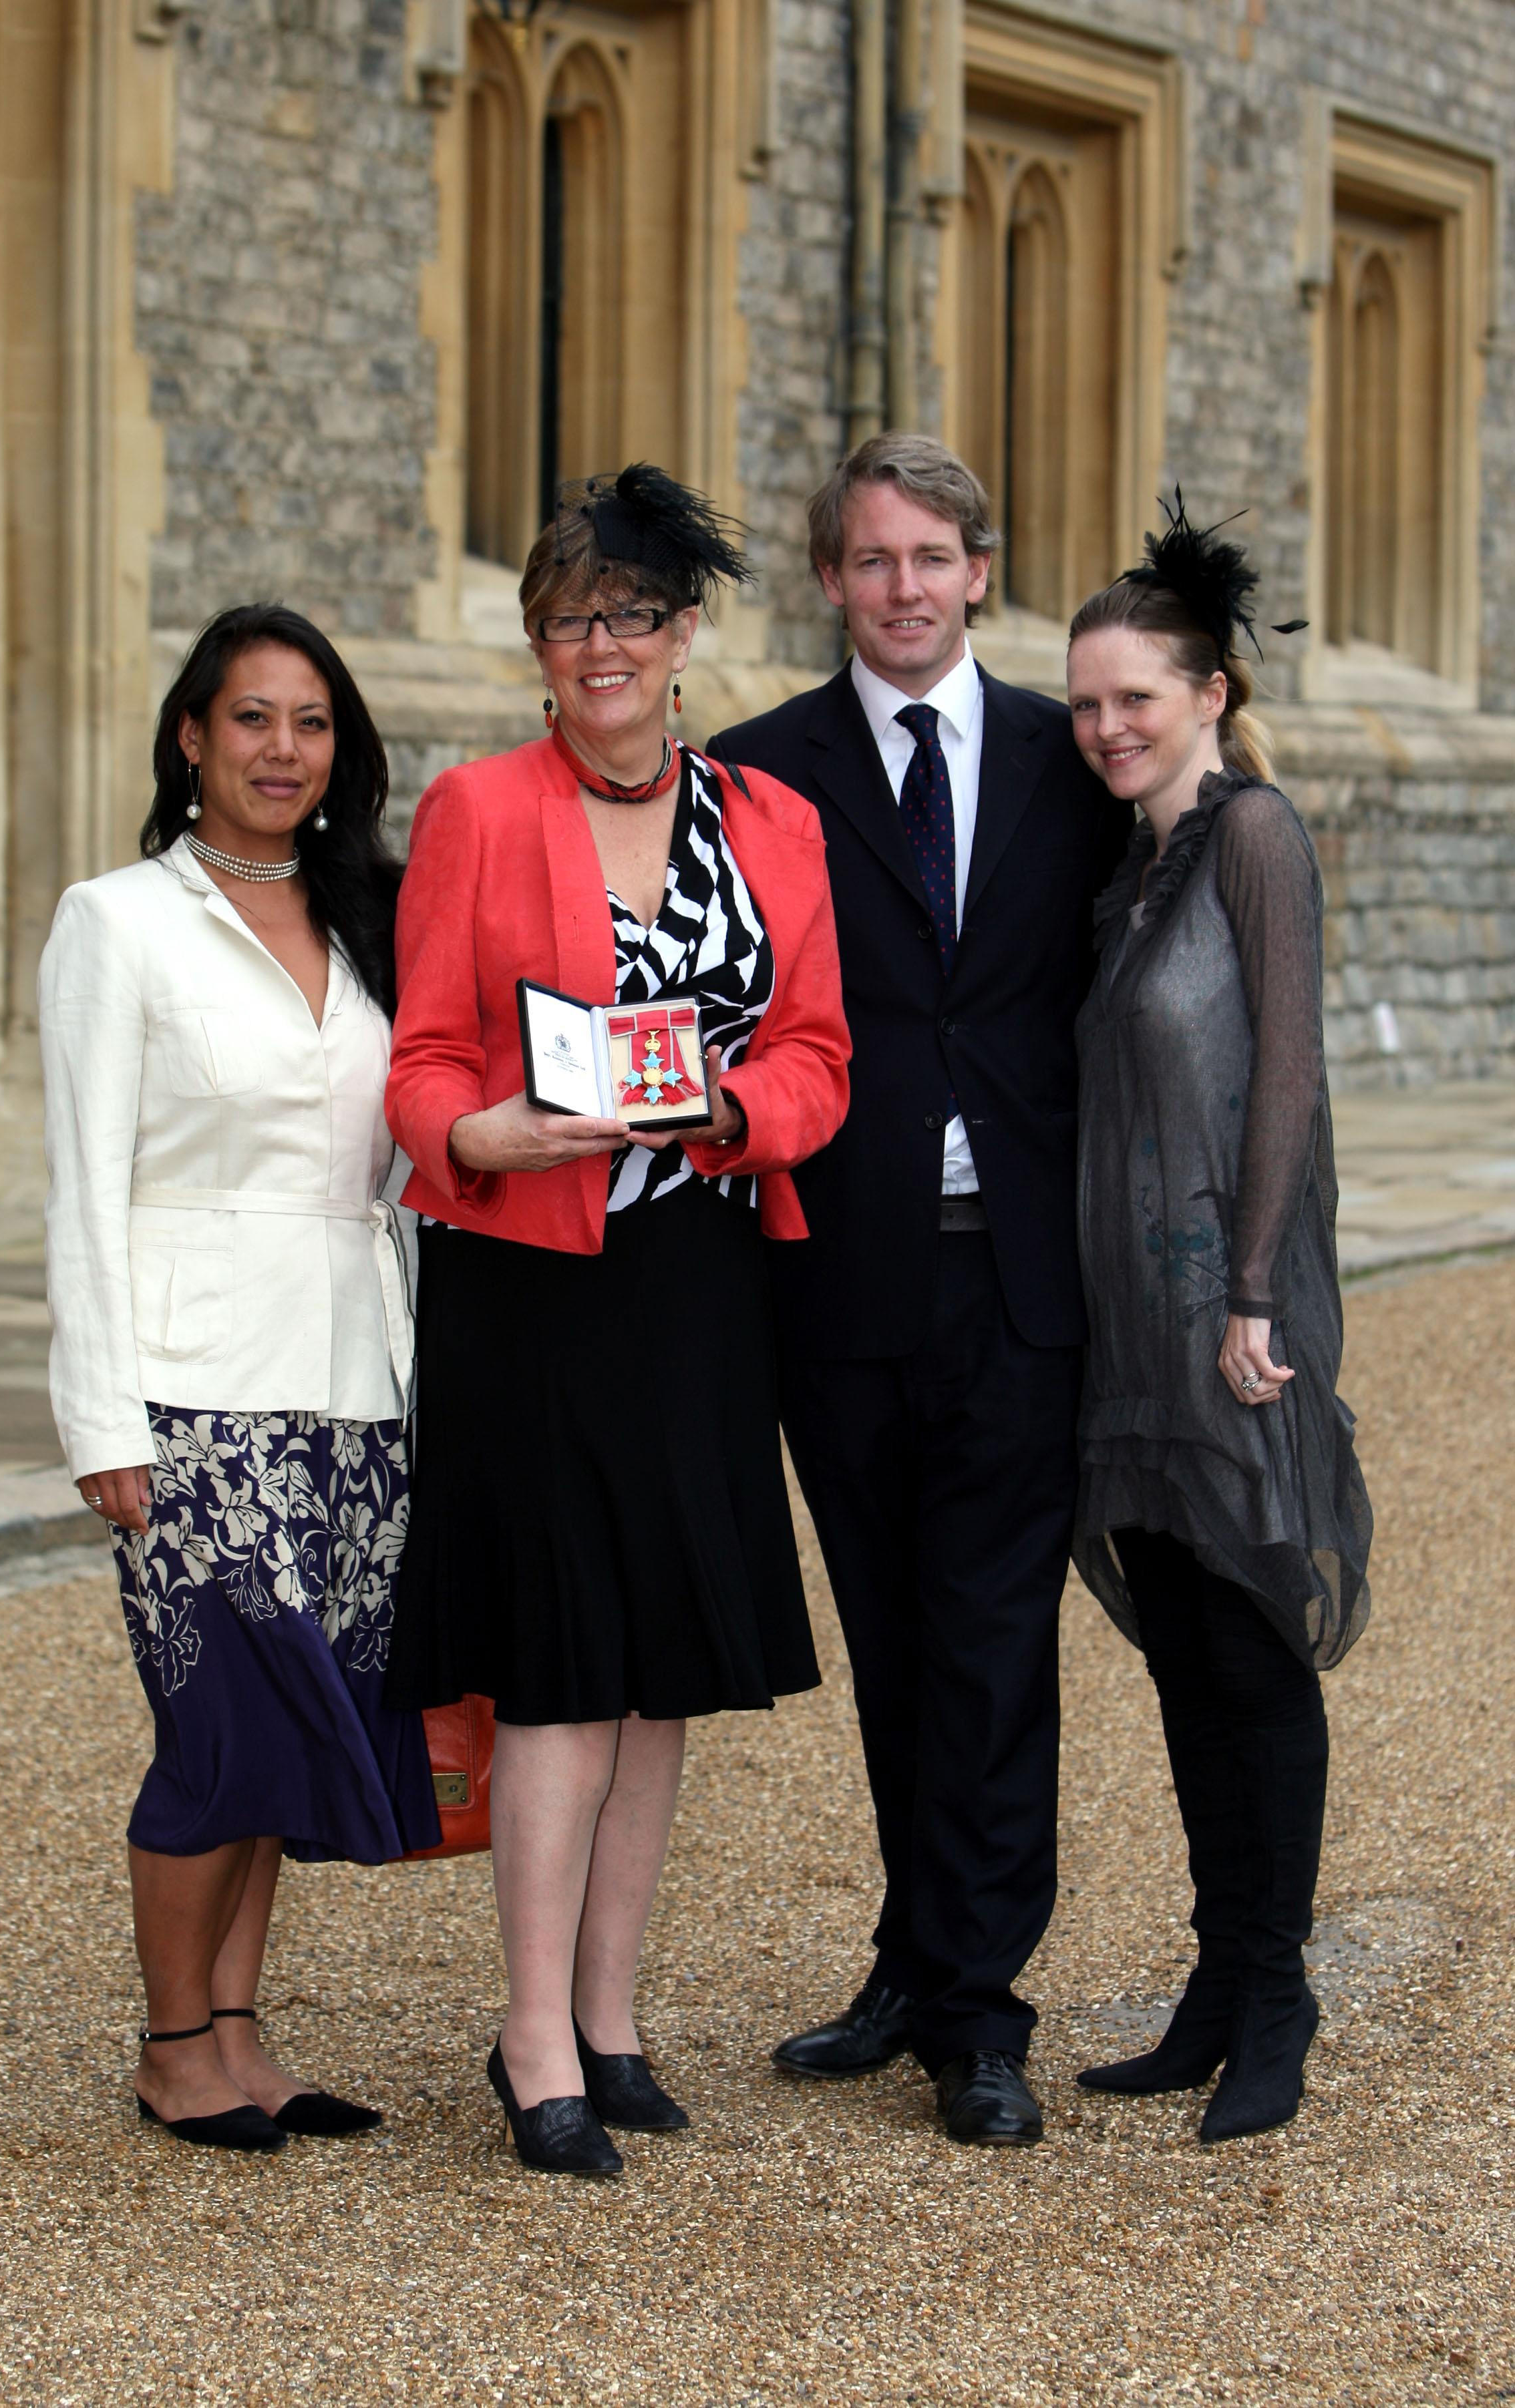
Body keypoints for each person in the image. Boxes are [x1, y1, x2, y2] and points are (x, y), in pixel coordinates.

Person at [385, 465, 850, 2179]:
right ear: (538, 640)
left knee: (659, 1680)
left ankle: (613, 2014)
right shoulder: (479, 810)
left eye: (635, 615)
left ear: (687, 634)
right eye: (573, 615)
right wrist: (477, 1135)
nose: (606, 645)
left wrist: (736, 1116)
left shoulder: (772, 823)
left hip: (698, 1285)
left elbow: (818, 1052)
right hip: (533, 1280)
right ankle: (529, 2041)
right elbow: (426, 1063)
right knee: (567, 1674)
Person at [709, 433, 1132, 2148]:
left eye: (932, 559)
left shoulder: (1071, 757)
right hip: (842, 1277)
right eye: (871, 561)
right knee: (892, 1638)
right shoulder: (755, 775)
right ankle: (912, 1953)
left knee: (993, 1643)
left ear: (980, 570)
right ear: (832, 581)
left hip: (1028, 1276)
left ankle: (981, 2012)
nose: (903, 588)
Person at [39, 602, 438, 2154]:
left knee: (297, 1720)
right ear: (192, 736)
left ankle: (242, 2037)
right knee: (216, 1724)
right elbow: (82, 1183)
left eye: (312, 722)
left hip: (356, 1381)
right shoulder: (118, 918)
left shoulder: (366, 924)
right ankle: (167, 2046)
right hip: (192, 1390)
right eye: (252, 718)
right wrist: (101, 1419)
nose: (283, 749)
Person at [1065, 500, 1372, 2143]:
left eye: (1139, 697)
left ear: (1211, 698)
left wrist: (1257, 1292)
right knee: (1187, 1659)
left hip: (1234, 1317)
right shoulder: (1129, 875)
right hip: (1134, 1328)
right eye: (1088, 701)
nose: (1109, 726)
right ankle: (1213, 1976)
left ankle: (1277, 1994)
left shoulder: (1252, 837)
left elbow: (1290, 1075)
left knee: (1254, 1657)